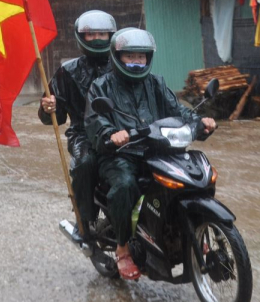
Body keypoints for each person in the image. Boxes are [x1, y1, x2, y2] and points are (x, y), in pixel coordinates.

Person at [85, 28, 217, 281]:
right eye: (130, 57)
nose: (136, 62)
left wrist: (200, 121)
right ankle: (123, 248)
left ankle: (193, 234)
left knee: (193, 177)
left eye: (141, 57)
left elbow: (177, 110)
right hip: (120, 154)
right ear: (117, 57)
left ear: (148, 59)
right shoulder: (101, 86)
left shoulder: (155, 82)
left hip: (158, 149)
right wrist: (112, 134)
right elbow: (96, 120)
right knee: (124, 186)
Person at [38, 10, 116, 237]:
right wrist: (48, 107)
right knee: (84, 163)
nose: (97, 39)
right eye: (91, 34)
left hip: (121, 130)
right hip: (84, 134)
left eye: (102, 33)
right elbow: (53, 116)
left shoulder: (122, 64)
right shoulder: (68, 71)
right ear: (81, 37)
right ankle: (86, 219)